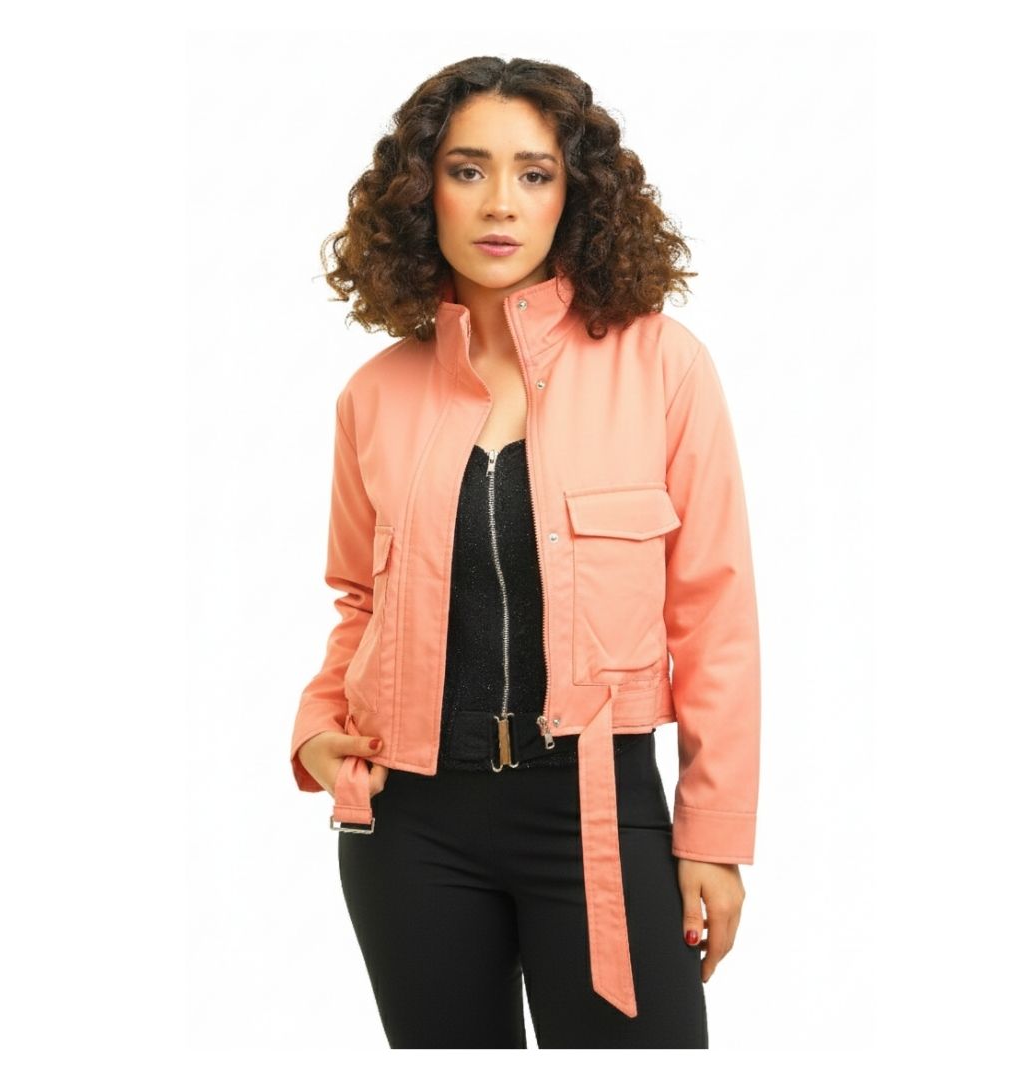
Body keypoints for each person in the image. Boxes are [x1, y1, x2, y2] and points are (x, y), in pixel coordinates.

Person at [291, 55, 761, 1049]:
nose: (500, 202)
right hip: (409, 827)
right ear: (421, 191)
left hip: (598, 810)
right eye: (467, 170)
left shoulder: (661, 365)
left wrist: (714, 836)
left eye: (534, 173)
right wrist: (317, 729)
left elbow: (715, 618)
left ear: (574, 195)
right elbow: (357, 601)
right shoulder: (374, 394)